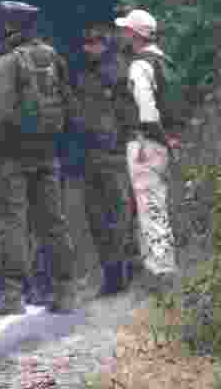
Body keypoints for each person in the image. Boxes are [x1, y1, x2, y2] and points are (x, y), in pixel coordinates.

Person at [0, 1, 78, 316]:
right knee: (53, 222)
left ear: (10, 26)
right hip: (47, 151)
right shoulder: (52, 57)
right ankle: (66, 291)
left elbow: (1, 115)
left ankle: (13, 296)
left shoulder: (8, 62)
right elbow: (68, 104)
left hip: (13, 155)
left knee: (13, 222)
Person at [115, 8, 182, 295]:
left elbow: (146, 110)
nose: (123, 34)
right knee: (158, 202)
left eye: (126, 30)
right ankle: (160, 267)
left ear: (134, 34)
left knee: (150, 205)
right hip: (165, 139)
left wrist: (156, 136)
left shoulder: (139, 65)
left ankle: (161, 271)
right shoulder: (165, 61)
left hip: (146, 141)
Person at [71, 25, 137, 297]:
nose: (89, 49)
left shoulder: (118, 73)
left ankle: (125, 271)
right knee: (96, 218)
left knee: (119, 215)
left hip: (114, 154)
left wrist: (126, 142)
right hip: (90, 155)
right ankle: (110, 275)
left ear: (104, 44)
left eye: (94, 43)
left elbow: (130, 114)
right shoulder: (84, 75)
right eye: (86, 44)